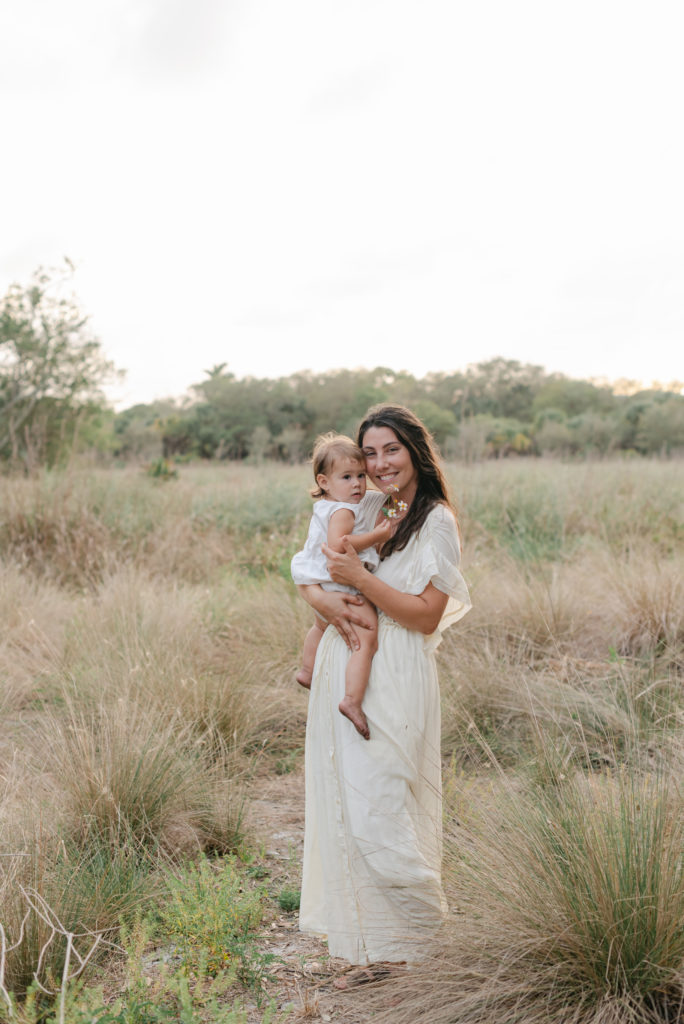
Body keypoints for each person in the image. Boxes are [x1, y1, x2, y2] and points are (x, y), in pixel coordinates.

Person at [297, 404, 471, 975]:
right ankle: (372, 947)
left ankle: (424, 945)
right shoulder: (365, 504)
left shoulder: (435, 520)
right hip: (345, 660)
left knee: (385, 803)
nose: (378, 464)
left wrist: (358, 580)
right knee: (350, 801)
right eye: (368, 454)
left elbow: (424, 616)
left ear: (415, 451)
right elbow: (310, 565)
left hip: (395, 666)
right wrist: (323, 599)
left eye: (389, 450)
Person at [291, 433, 393, 739]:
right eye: (346, 477)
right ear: (323, 481)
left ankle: (307, 670)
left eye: (361, 476)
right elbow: (340, 544)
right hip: (341, 583)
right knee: (367, 639)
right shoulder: (344, 511)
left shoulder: (325, 506)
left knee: (321, 627)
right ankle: (352, 700)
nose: (357, 484)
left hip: (319, 580)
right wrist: (377, 536)